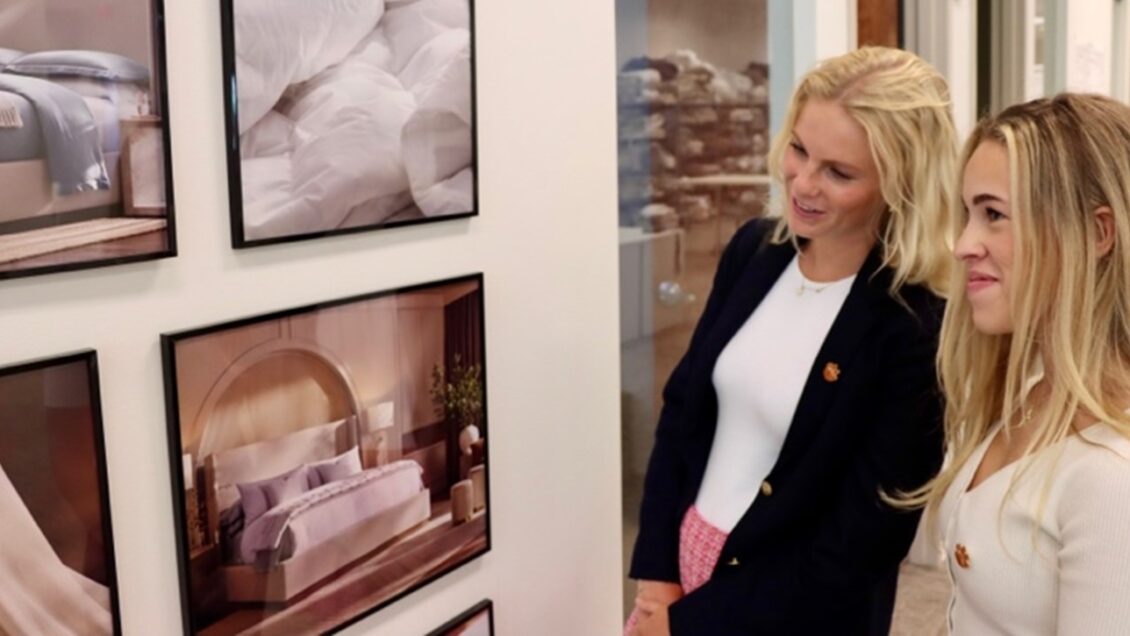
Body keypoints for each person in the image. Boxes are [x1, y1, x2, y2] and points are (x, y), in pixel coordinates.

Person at [625, 46, 956, 635]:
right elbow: (684, 412)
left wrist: (687, 625)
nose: (803, 183)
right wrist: (657, 579)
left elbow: (860, 543)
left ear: (900, 183)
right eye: (800, 150)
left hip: (792, 612)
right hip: (683, 570)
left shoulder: (914, 325)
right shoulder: (756, 249)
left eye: (839, 172)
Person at [900, 93, 1130, 634]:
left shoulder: (1111, 476)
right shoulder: (1035, 394)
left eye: (994, 215)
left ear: (1097, 233)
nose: (962, 245)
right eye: (968, 214)